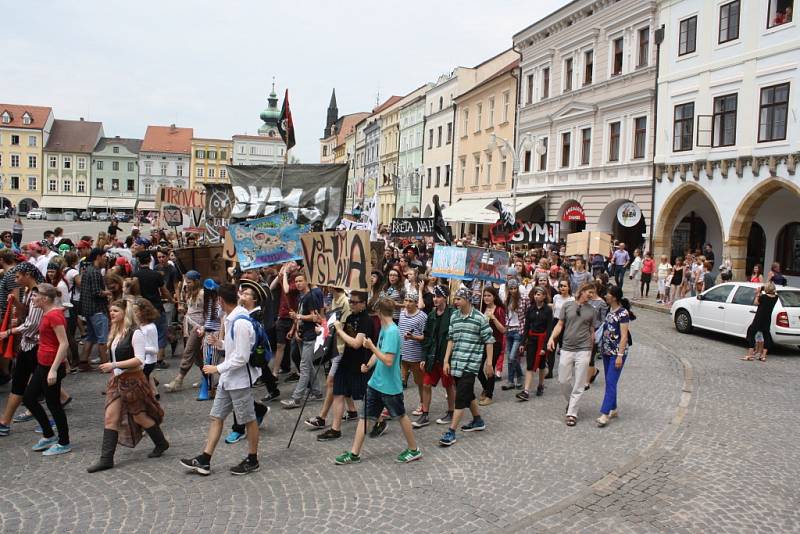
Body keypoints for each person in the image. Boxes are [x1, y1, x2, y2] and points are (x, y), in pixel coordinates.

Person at [180, 283, 262, 476]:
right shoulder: (231, 319)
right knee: (216, 416)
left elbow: (242, 357)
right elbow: (235, 349)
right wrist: (221, 344)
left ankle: (253, 459)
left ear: (221, 301)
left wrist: (217, 368)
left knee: (249, 420)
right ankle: (205, 459)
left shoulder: (240, 322)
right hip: (228, 379)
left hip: (239, 381)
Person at [333, 298, 422, 465]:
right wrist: (368, 364)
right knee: (364, 417)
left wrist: (371, 347)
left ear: (380, 312)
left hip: (390, 387)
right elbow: (379, 352)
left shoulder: (392, 332)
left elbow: (388, 360)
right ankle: (354, 454)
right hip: (375, 383)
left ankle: (413, 449)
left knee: (401, 416)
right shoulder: (384, 328)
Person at [88, 300, 168, 472]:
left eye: (116, 310)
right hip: (117, 382)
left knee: (139, 416)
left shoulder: (135, 333)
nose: (112, 313)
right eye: (111, 311)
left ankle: (161, 443)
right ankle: (106, 459)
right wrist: (113, 368)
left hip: (133, 381)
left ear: (125, 312)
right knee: (111, 418)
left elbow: (139, 360)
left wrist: (114, 365)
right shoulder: (115, 332)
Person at [438, 287, 494, 447]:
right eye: (455, 299)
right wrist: (446, 360)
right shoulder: (454, 316)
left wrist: (489, 363)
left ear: (467, 300)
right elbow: (451, 338)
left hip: (471, 364)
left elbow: (489, 340)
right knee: (467, 394)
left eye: (458, 299)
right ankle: (478, 420)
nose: (455, 302)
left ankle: (451, 432)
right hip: (456, 362)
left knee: (461, 397)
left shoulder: (479, 318)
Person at [315, 291, 374, 441]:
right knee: (338, 393)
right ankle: (335, 429)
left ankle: (379, 420)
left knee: (364, 396)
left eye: (355, 302)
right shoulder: (350, 317)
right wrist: (324, 329)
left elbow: (356, 343)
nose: (351, 304)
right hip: (345, 361)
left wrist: (340, 331)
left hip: (360, 363)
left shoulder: (366, 320)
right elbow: (338, 332)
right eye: (350, 301)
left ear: (363, 303)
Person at [22, 284, 72, 456]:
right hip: (43, 363)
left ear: (44, 298)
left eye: (35, 296)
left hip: (50, 366)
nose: (32, 298)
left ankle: (64, 442)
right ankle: (49, 434)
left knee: (53, 404)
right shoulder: (48, 314)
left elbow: (64, 343)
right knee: (29, 398)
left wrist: (53, 370)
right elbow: (50, 338)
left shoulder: (54, 316)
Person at [223, 281, 271, 444]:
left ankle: (239, 428)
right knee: (240, 396)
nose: (242, 295)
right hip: (241, 361)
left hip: (247, 363)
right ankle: (260, 409)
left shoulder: (253, 316)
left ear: (254, 299)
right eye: (241, 293)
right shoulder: (241, 313)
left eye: (246, 294)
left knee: (239, 395)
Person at [0, 262, 44, 436]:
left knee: (37, 393)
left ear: (27, 275)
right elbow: (26, 316)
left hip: (35, 346)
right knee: (19, 384)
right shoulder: (27, 292)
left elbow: (32, 323)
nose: (16, 279)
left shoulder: (37, 293)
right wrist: (17, 308)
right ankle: (5, 422)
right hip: (28, 345)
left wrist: (9, 331)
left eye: (18, 276)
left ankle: (50, 422)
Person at [547, 283, 600, 427]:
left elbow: (591, 330)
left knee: (579, 382)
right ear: (582, 291)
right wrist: (552, 338)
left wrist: (591, 349)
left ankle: (572, 413)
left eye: (593, 293)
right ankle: (572, 401)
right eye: (589, 292)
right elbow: (559, 325)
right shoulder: (567, 305)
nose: (591, 295)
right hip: (567, 347)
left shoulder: (592, 310)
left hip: (584, 349)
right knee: (563, 380)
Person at [415, 285, 457, 428]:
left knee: (448, 385)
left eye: (438, 296)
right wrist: (423, 357)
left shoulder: (453, 314)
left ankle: (451, 412)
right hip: (432, 356)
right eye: (434, 296)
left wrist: (451, 358)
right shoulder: (431, 315)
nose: (435, 299)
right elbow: (426, 337)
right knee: (426, 384)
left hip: (445, 357)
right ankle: (425, 414)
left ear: (445, 297)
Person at [281, 272, 323, 408]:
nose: (298, 283)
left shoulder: (310, 297)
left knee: (304, 367)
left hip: (310, 336)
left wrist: (298, 316)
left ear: (307, 282)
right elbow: (300, 317)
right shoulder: (302, 297)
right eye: (296, 281)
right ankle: (317, 392)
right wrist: (294, 329)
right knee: (308, 365)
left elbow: (315, 318)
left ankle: (296, 398)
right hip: (302, 334)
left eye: (300, 281)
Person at [596, 285, 634, 427]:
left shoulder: (623, 313)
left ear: (614, 297)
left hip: (617, 353)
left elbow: (624, 336)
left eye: (608, 294)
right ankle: (614, 408)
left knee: (611, 382)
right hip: (606, 351)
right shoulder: (609, 310)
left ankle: (605, 414)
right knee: (609, 380)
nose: (606, 295)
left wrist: (619, 355)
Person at [164, 271, 204, 392]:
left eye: (189, 282)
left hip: (199, 327)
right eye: (186, 282)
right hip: (190, 325)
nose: (187, 284)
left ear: (196, 282)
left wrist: (206, 327)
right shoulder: (189, 293)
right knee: (197, 355)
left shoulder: (203, 293)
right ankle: (207, 378)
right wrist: (183, 309)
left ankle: (179, 379)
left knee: (188, 350)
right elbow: (191, 309)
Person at [133, 250, 171, 369]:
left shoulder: (135, 275)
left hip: (140, 308)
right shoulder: (156, 275)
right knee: (160, 333)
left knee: (143, 334)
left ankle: (143, 358)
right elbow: (164, 291)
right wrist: (170, 299)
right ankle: (159, 359)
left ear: (139, 261)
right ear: (150, 260)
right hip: (156, 307)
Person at [517, 286, 553, 400]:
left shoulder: (548, 310)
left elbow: (548, 329)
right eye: (535, 294)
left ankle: (541, 385)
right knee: (530, 364)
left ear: (544, 296)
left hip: (542, 339)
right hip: (532, 339)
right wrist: (522, 343)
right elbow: (526, 327)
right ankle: (526, 391)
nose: (536, 296)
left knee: (542, 364)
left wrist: (544, 346)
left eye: (539, 294)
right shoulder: (530, 309)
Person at [79, 248, 112, 369]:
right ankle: (105, 364)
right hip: (97, 309)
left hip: (88, 309)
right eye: (104, 257)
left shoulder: (88, 270)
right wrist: (109, 292)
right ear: (98, 257)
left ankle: (83, 362)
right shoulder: (95, 272)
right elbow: (97, 292)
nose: (105, 259)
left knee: (91, 337)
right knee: (102, 338)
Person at [397, 289, 427, 415]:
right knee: (398, 381)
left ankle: (423, 404)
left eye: (411, 301)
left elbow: (425, 337)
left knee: (420, 383)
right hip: (402, 354)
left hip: (415, 356)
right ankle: (395, 406)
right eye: (406, 300)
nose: (407, 303)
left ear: (416, 303)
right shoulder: (402, 313)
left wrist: (413, 337)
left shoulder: (422, 317)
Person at [478, 286, 505, 406]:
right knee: (478, 368)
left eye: (489, 295)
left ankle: (489, 395)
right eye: (485, 295)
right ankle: (486, 387)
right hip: (482, 343)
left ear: (494, 297)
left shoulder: (499, 310)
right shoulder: (481, 308)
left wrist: (493, 318)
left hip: (495, 343)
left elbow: (503, 330)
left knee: (490, 369)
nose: (486, 298)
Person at [501, 279, 528, 391]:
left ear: (517, 288)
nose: (513, 290)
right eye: (510, 288)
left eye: (514, 288)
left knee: (512, 357)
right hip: (509, 330)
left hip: (518, 330)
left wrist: (525, 332)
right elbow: (507, 315)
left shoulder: (524, 299)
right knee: (510, 358)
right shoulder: (507, 299)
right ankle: (511, 381)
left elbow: (527, 314)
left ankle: (519, 376)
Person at [743, 282, 779, 362]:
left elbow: (756, 303)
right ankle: (763, 356)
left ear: (767, 289)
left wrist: (758, 293)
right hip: (767, 318)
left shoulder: (763, 297)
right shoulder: (776, 297)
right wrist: (767, 287)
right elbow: (772, 292)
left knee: (751, 333)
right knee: (766, 335)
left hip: (759, 318)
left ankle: (750, 355)